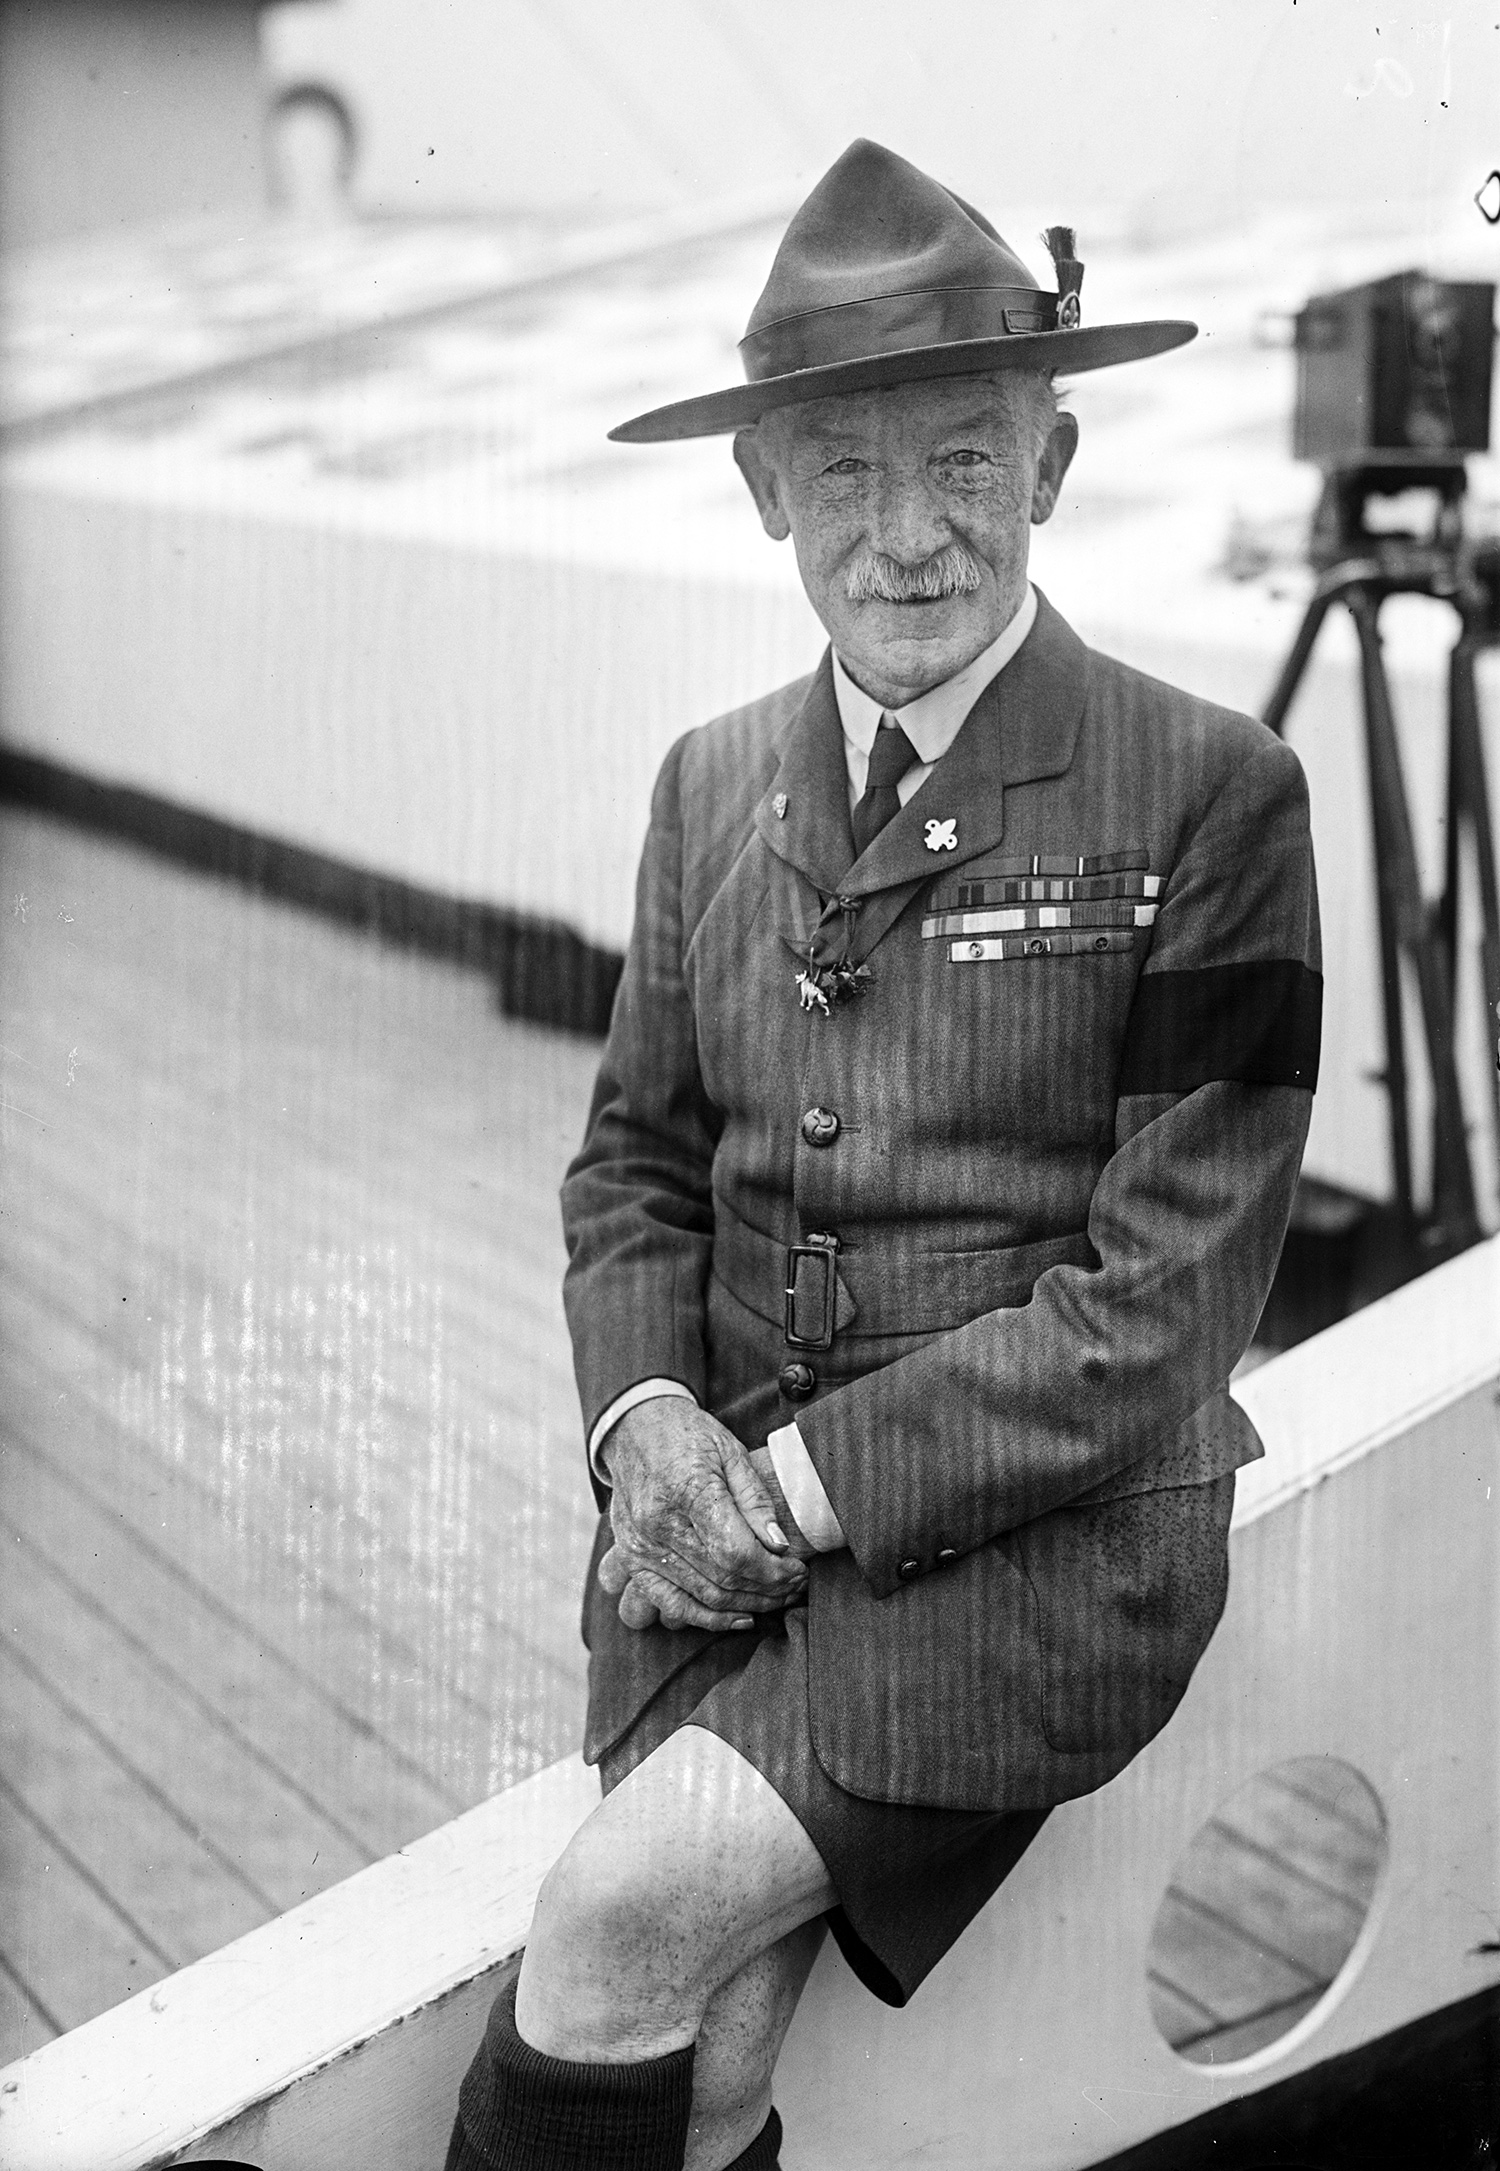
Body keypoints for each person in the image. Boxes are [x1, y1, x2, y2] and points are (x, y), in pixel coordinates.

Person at [447, 138, 1321, 2171]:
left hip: (1039, 1561)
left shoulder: (1213, 791)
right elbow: (634, 1177)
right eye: (842, 473)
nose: (910, 535)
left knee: (616, 1917)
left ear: (1056, 458)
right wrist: (642, 1425)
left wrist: (796, 1487)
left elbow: (1161, 1315)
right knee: (715, 2036)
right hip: (714, 1554)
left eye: (966, 460)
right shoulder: (707, 786)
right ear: (765, 495)